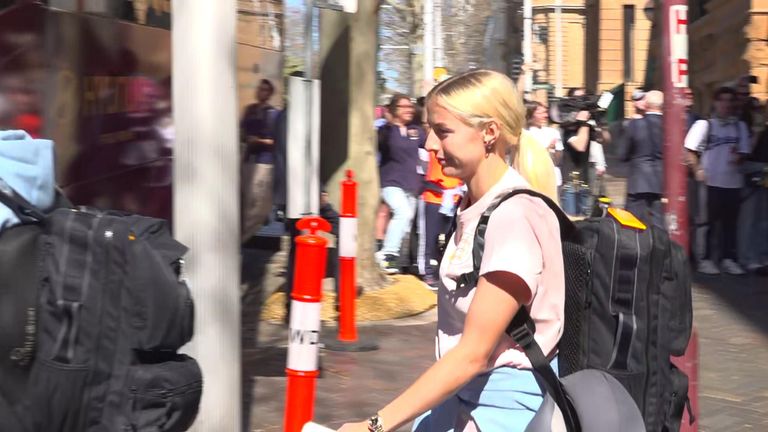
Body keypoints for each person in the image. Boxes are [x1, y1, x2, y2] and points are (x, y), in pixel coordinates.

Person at [337, 69, 562, 432]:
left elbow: (473, 354)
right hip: (466, 395)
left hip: (506, 410)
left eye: (442, 131)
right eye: (430, 130)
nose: (429, 144)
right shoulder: (479, 205)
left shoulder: (513, 217)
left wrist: (374, 425)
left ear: (489, 133)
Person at [685, 86, 750, 275]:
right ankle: (704, 259)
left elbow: (744, 152)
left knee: (730, 224)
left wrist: (740, 157)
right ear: (716, 102)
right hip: (710, 182)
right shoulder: (705, 125)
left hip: (733, 182)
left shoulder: (740, 127)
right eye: (723, 100)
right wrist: (697, 169)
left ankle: (728, 258)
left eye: (730, 101)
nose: (727, 105)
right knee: (706, 223)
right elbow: (689, 150)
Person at [376, 94, 426, 273]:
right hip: (391, 182)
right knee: (402, 213)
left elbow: (429, 148)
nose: (408, 109)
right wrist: (388, 121)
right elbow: (378, 146)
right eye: (403, 106)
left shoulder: (417, 131)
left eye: (410, 106)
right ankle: (386, 254)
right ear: (394, 110)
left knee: (405, 223)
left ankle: (393, 261)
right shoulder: (385, 131)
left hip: (412, 184)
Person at [620, 90, 665, 228]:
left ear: (645, 104)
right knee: (659, 225)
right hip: (661, 182)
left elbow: (623, 154)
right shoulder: (670, 125)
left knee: (633, 225)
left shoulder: (634, 125)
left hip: (638, 182)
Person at [240, 78, 278, 242]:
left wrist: (259, 141)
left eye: (265, 90)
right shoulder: (249, 110)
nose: (261, 92)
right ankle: (241, 237)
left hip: (264, 161)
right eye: (259, 89)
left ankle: (244, 236)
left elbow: (277, 141)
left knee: (259, 202)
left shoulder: (273, 114)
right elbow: (242, 132)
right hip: (248, 159)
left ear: (269, 94)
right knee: (245, 200)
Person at [560, 88, 592, 216]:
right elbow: (580, 146)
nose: (582, 103)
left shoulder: (586, 126)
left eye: (584, 98)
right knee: (572, 223)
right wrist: (584, 122)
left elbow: (604, 139)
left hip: (585, 181)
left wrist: (602, 122)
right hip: (570, 185)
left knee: (585, 223)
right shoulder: (568, 126)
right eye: (578, 100)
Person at [525, 101, 563, 190]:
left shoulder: (553, 132)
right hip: (533, 180)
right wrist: (546, 150)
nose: (545, 115)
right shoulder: (525, 134)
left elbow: (557, 160)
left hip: (553, 180)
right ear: (530, 114)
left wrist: (556, 150)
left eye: (545, 112)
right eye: (540, 113)